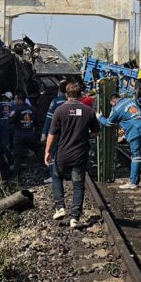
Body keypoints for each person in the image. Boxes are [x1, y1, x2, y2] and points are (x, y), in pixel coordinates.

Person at [45, 82, 99, 228]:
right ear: (80, 94)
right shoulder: (88, 111)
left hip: (63, 153)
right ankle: (74, 218)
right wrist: (84, 135)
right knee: (78, 184)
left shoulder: (59, 110)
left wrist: (47, 151)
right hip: (80, 154)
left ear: (66, 94)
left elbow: (52, 134)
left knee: (56, 177)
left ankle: (60, 207)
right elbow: (95, 132)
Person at [98, 93, 141, 189]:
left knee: (136, 156)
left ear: (113, 101)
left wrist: (99, 117)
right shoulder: (131, 100)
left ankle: (133, 182)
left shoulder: (116, 109)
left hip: (135, 130)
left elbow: (108, 123)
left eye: (111, 104)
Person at [10, 93, 43, 179]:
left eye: (16, 99)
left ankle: (16, 176)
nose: (15, 101)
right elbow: (38, 124)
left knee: (17, 156)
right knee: (39, 150)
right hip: (30, 134)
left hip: (19, 136)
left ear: (20, 100)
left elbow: (10, 121)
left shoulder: (16, 110)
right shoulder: (33, 109)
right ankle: (44, 168)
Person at [41, 80, 69, 184]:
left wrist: (44, 132)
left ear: (59, 90)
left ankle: (53, 176)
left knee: (52, 153)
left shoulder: (55, 102)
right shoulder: (72, 102)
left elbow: (49, 118)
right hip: (68, 132)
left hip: (56, 132)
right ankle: (64, 173)